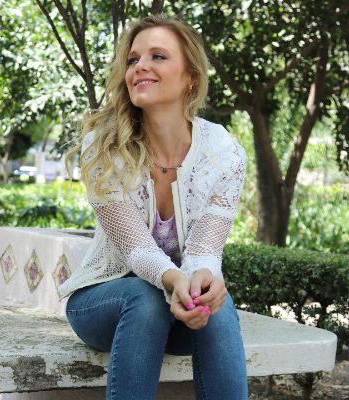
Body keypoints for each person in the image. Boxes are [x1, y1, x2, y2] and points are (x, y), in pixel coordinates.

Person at [59, 14, 248, 400]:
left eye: (158, 56)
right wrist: (174, 280)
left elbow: (205, 251)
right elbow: (136, 249)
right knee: (145, 297)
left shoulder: (223, 152)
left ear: (190, 76)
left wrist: (202, 283)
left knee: (216, 303)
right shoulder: (104, 147)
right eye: (133, 60)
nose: (140, 66)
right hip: (102, 305)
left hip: (176, 311)